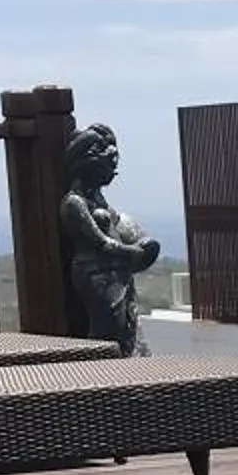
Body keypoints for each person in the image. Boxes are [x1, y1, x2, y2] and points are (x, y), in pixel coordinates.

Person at [60, 122, 164, 354]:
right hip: (96, 273)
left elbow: (120, 227)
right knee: (108, 328)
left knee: (129, 324)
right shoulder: (74, 203)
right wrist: (133, 253)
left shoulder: (99, 201)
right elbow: (101, 242)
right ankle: (104, 373)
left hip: (118, 272)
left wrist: (143, 246)